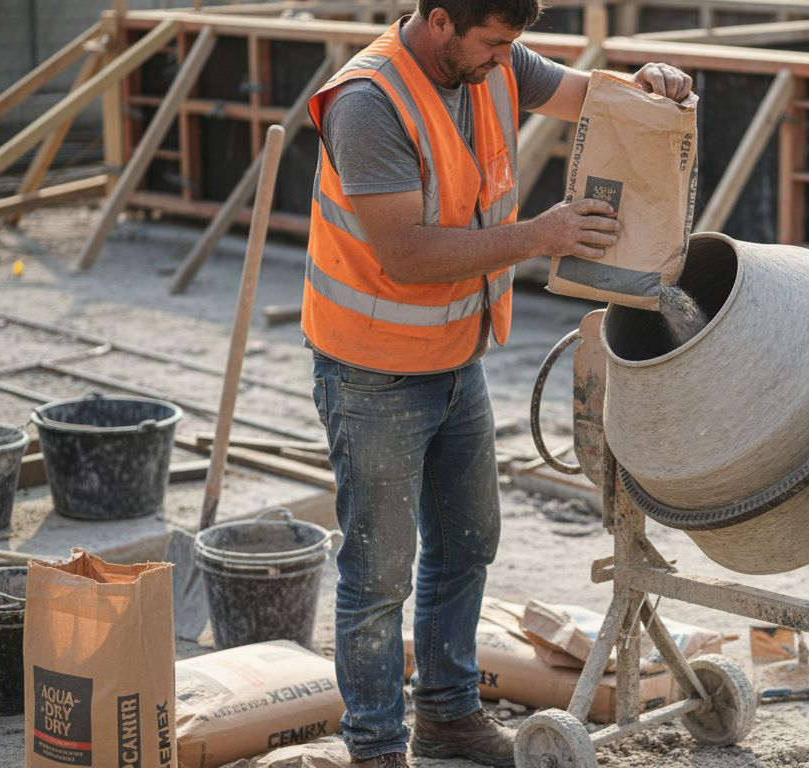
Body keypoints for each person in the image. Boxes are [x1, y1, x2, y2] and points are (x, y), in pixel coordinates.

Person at [302, 1, 693, 765]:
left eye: (513, 43)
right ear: (441, 20)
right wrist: (540, 236)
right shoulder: (367, 104)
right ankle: (376, 746)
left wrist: (643, 83)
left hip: (454, 356)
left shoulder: (495, 61)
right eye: (494, 42)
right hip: (372, 369)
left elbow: (584, 93)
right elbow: (407, 255)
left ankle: (445, 713)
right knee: (379, 571)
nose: (507, 58)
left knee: (468, 541)